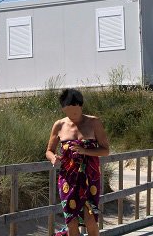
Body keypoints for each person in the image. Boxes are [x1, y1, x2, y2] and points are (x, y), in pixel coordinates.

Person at [46, 88, 110, 236]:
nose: (73, 115)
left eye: (76, 111)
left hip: (91, 179)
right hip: (68, 179)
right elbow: (49, 150)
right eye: (69, 111)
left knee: (91, 219)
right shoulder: (59, 125)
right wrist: (53, 158)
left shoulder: (94, 122)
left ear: (81, 106)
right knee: (71, 221)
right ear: (63, 109)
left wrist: (85, 151)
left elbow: (105, 150)